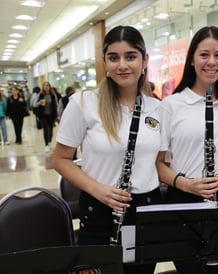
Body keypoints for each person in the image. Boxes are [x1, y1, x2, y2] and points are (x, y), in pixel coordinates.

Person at [52, 25, 162, 274]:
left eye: (131, 56)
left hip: (146, 211)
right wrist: (98, 189)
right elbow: (60, 159)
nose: (122, 65)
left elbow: (160, 162)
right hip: (100, 210)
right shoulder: (83, 103)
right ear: (104, 62)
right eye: (114, 58)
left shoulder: (158, 108)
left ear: (145, 60)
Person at [155, 26, 218, 274]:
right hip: (184, 195)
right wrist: (186, 184)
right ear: (192, 60)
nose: (211, 62)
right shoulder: (172, 105)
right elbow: (157, 163)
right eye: (204, 55)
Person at [34, 82, 59, 153]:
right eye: (44, 85)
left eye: (47, 85)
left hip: (51, 115)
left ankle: (49, 141)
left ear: (49, 87)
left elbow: (56, 104)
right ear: (43, 87)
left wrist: (57, 115)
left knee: (50, 130)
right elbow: (34, 104)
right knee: (45, 129)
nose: (46, 87)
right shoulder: (40, 95)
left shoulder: (53, 95)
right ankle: (46, 145)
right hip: (43, 115)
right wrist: (39, 102)